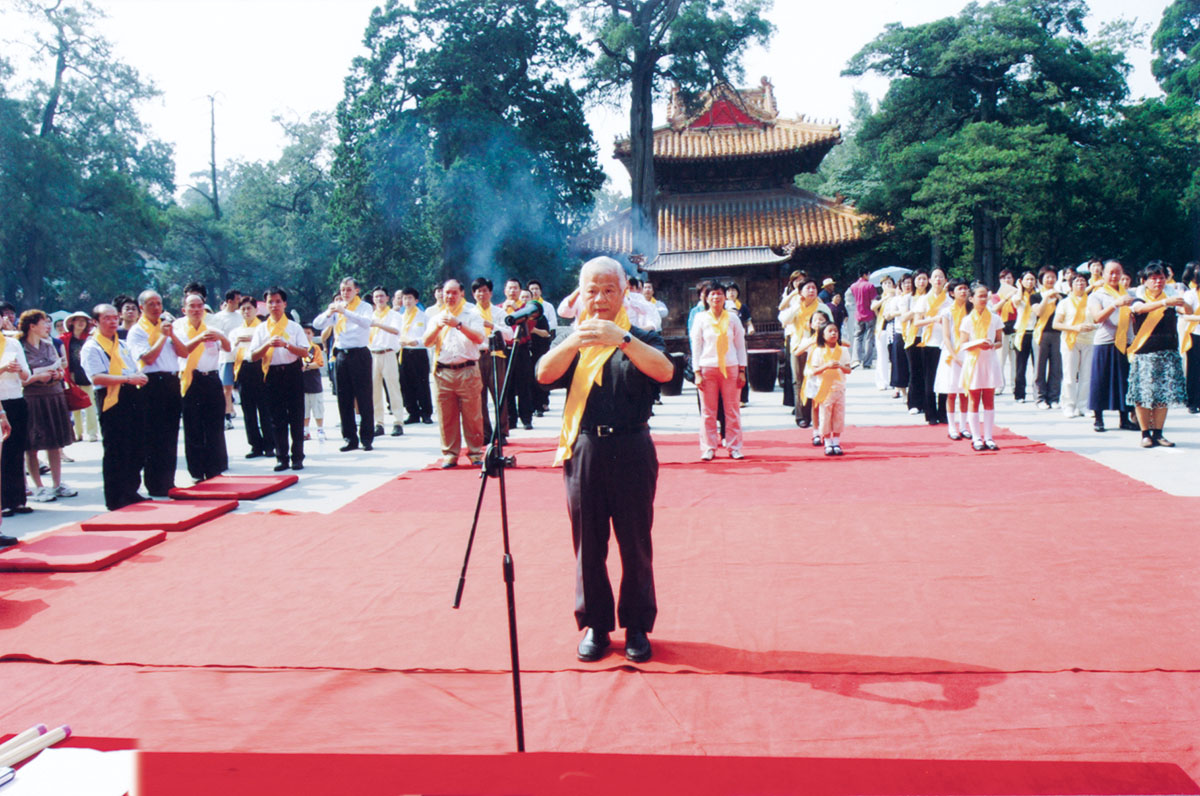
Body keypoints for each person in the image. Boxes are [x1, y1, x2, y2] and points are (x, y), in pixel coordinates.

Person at [535, 256, 673, 663]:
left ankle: (636, 626)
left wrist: (622, 339)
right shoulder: (574, 339)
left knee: (635, 543)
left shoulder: (642, 336)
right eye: (591, 291)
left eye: (608, 290)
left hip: (632, 450)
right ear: (581, 295)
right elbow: (543, 373)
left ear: (624, 291)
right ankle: (596, 624)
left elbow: (665, 372)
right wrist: (574, 341)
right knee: (588, 544)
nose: (599, 299)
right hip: (585, 452)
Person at [81, 303, 148, 510]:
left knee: (135, 445)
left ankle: (130, 490)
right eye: (106, 319)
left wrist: (136, 377)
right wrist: (128, 378)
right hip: (109, 395)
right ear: (96, 322)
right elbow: (97, 376)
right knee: (115, 448)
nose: (112, 322)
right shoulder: (92, 346)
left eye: (114, 318)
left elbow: (133, 367)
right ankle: (115, 497)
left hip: (130, 394)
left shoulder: (122, 344)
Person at [126, 289, 187, 497]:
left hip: (171, 379)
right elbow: (148, 358)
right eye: (151, 304)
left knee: (170, 434)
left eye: (159, 303)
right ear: (141, 307)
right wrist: (162, 337)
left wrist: (171, 335)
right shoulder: (138, 330)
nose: (156, 308)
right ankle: (155, 483)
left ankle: (168, 481)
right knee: (154, 435)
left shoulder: (165, 327)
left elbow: (183, 352)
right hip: (151, 382)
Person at [423, 279, 486, 468]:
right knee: (446, 415)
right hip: (443, 371)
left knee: (472, 414)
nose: (449, 296)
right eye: (446, 293)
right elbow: (426, 341)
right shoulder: (436, 317)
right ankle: (450, 453)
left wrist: (458, 324)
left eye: (453, 293)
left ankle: (475, 452)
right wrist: (438, 327)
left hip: (467, 370)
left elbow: (479, 338)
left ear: (462, 294)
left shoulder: (472, 314)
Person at [1126, 261, 1189, 447]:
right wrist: (1164, 302)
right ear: (1144, 281)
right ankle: (1145, 433)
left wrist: (1183, 302)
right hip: (1145, 354)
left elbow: (1188, 311)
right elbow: (1139, 309)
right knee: (1143, 395)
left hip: (1167, 352)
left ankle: (1159, 433)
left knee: (1163, 396)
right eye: (1153, 278)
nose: (1158, 282)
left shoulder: (1171, 298)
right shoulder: (1139, 298)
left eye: (1161, 278)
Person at [19, 310, 77, 501]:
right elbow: (18, 379)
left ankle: (57, 483)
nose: (47, 327)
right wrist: (37, 377)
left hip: (54, 395)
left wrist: (57, 374)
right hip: (32, 398)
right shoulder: (20, 347)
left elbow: (60, 367)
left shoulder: (49, 345)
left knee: (54, 441)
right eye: (44, 323)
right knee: (32, 444)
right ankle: (38, 487)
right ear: (32, 326)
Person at [314, 278, 376, 452]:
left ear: (357, 290)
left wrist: (345, 312)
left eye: (349, 290)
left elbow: (366, 322)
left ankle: (367, 438)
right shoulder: (337, 308)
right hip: (341, 354)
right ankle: (349, 438)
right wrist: (329, 312)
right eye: (342, 290)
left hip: (360, 354)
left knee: (363, 397)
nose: (345, 293)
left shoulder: (364, 307)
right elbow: (317, 324)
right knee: (344, 398)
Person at [250, 288, 309, 471]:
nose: (274, 305)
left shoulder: (294, 327)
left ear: (285, 304)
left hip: (292, 372)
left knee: (296, 415)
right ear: (266, 305)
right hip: (271, 374)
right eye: (270, 302)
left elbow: (305, 351)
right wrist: (267, 344)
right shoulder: (261, 329)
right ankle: (281, 457)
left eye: (277, 301)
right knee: (277, 418)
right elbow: (252, 356)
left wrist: (286, 345)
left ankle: (297, 456)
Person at [175, 292, 231, 482]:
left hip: (212, 378)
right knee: (193, 426)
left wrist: (220, 338)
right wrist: (199, 339)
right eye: (192, 306)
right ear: (184, 310)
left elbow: (228, 348)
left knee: (214, 426)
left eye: (199, 306)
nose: (196, 310)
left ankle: (215, 468)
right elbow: (181, 351)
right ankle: (197, 471)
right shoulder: (179, 328)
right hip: (191, 379)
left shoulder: (212, 328)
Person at [691, 283, 747, 461]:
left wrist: (742, 369)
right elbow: (696, 346)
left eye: (720, 294)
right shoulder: (700, 318)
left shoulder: (733, 318)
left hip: (730, 368)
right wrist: (697, 371)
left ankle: (734, 447)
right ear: (706, 298)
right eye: (712, 294)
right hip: (708, 368)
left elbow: (740, 346)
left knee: (732, 410)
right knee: (708, 411)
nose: (716, 297)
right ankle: (708, 447)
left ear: (725, 297)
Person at [1087, 260, 1137, 432]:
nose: (1115, 276)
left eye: (1118, 272)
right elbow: (1097, 317)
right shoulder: (1097, 294)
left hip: (1126, 342)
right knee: (1100, 381)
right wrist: (1115, 304)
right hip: (1105, 342)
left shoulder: (1129, 294)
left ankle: (1125, 418)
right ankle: (1098, 419)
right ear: (1104, 274)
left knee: (1124, 381)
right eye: (1111, 272)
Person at [960, 283, 1004, 450]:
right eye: (980, 296)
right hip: (973, 362)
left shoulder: (995, 318)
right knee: (974, 399)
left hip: (989, 360)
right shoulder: (967, 320)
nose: (983, 299)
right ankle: (976, 437)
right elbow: (963, 344)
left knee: (989, 399)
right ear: (971, 299)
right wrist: (977, 343)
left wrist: (992, 345)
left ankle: (989, 437)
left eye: (986, 295)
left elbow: (1000, 341)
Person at [230, 296, 274, 460]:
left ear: (256, 310)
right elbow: (229, 351)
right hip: (243, 369)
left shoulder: (262, 328)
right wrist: (235, 343)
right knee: (248, 410)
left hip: (260, 368)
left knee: (265, 408)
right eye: (243, 309)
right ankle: (255, 445)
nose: (246, 311)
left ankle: (270, 444)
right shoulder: (235, 331)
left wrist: (253, 340)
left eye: (249, 308)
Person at [778, 279, 827, 428]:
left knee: (817, 381)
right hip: (798, 347)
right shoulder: (796, 307)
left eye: (814, 287)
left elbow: (830, 325)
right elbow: (784, 320)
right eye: (808, 288)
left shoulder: (822, 307)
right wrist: (796, 305)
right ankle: (801, 416)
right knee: (798, 382)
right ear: (801, 292)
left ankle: (816, 414)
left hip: (817, 348)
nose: (811, 290)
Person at [471, 278, 513, 444]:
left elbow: (509, 334)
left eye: (485, 290)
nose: (482, 294)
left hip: (496, 355)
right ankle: (485, 433)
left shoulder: (499, 312)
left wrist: (492, 325)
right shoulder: (470, 313)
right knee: (479, 397)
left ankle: (502, 432)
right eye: (478, 291)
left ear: (491, 293)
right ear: (473, 294)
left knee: (499, 393)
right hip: (477, 355)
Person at [1053, 272, 1097, 419]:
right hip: (1070, 341)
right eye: (1077, 282)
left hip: (1089, 340)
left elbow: (1098, 319)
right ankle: (1069, 405)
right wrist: (1074, 328)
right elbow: (1056, 324)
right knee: (1070, 375)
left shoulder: (1092, 300)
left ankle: (1083, 405)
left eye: (1083, 281)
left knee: (1087, 375)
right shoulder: (1064, 303)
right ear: (1071, 285)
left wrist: (1092, 326)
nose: (1080, 284)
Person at [932, 279, 971, 441]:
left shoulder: (972, 310)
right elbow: (946, 337)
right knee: (952, 392)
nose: (963, 292)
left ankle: (963, 426)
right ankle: (952, 426)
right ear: (952, 293)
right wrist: (955, 356)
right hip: (951, 354)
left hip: (967, 352)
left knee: (965, 392)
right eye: (960, 289)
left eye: (965, 289)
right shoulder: (947, 312)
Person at [910, 268, 949, 424]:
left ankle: (943, 413)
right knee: (929, 380)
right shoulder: (923, 300)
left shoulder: (949, 300)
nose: (938, 280)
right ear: (930, 281)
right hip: (928, 342)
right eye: (935, 277)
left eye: (941, 277)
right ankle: (930, 413)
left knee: (944, 379)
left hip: (944, 343)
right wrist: (933, 319)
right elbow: (917, 322)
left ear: (945, 280)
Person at [0, 320, 31, 519]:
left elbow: (26, 376)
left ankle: (17, 499)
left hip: (16, 399)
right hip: (0, 402)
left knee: (16, 452)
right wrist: (3, 368)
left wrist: (19, 369)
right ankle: (3, 503)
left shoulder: (12, 343)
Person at [808, 320, 852, 455]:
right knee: (825, 416)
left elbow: (848, 369)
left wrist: (840, 366)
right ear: (822, 335)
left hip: (839, 389)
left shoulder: (843, 350)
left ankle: (836, 441)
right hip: (825, 389)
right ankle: (827, 441)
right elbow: (813, 371)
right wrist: (826, 366)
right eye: (830, 331)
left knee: (839, 415)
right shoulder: (818, 351)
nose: (833, 333)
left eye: (836, 331)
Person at [367, 286, 405, 438]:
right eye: (376, 297)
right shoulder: (370, 315)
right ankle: (379, 423)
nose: (379, 299)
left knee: (393, 389)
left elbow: (396, 331)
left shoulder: (393, 315)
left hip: (388, 353)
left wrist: (378, 325)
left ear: (388, 298)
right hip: (373, 354)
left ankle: (398, 422)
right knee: (374, 391)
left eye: (382, 296)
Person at [395, 287, 433, 424]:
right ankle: (412, 412)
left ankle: (426, 413)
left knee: (422, 384)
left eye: (410, 298)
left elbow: (429, 336)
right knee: (406, 384)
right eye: (405, 298)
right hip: (404, 352)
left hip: (419, 352)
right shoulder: (400, 318)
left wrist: (416, 341)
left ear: (416, 300)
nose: (407, 301)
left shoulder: (424, 317)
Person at [60, 311, 98, 443]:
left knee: (90, 403)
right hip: (71, 373)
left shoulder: (91, 338)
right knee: (74, 403)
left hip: (87, 373)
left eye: (84, 320)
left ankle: (92, 433)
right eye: (78, 320)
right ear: (72, 323)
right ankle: (78, 433)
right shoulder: (64, 339)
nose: (81, 323)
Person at [210, 289, 243, 430]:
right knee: (227, 388)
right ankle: (227, 416)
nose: (240, 302)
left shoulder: (241, 316)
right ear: (230, 301)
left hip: (241, 357)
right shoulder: (218, 318)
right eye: (237, 300)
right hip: (226, 357)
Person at [1032, 266, 1063, 409]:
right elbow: (1038, 312)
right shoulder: (1035, 296)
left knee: (1056, 367)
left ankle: (1054, 397)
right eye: (1047, 277)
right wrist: (1046, 298)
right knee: (1039, 367)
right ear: (1041, 280)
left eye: (1053, 277)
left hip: (1058, 333)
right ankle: (1040, 398)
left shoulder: (1062, 296)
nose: (1050, 280)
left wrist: (1058, 299)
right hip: (1041, 333)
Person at [1179, 262, 1200, 414]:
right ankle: (1192, 401)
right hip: (1195, 333)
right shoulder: (1191, 294)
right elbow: (1185, 315)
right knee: (1194, 369)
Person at [300, 325, 326, 441]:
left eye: (308, 333)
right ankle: (305, 430)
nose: (306, 335)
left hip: (314, 382)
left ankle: (320, 429)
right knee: (304, 409)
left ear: (312, 335)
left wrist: (306, 366)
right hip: (301, 383)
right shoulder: (298, 348)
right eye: (303, 333)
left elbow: (319, 363)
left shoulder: (315, 348)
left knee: (318, 408)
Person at [871, 276, 896, 391]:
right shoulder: (878, 297)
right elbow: (873, 307)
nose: (887, 285)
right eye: (885, 283)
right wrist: (884, 299)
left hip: (895, 329)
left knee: (894, 356)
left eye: (889, 283)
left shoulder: (897, 296)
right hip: (882, 329)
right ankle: (882, 381)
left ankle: (893, 380)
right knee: (882, 356)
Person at [849, 269, 878, 369]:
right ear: (865, 274)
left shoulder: (853, 286)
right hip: (869, 314)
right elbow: (874, 300)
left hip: (858, 314)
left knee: (857, 337)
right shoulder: (870, 286)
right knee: (869, 338)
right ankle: (867, 362)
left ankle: (855, 359)